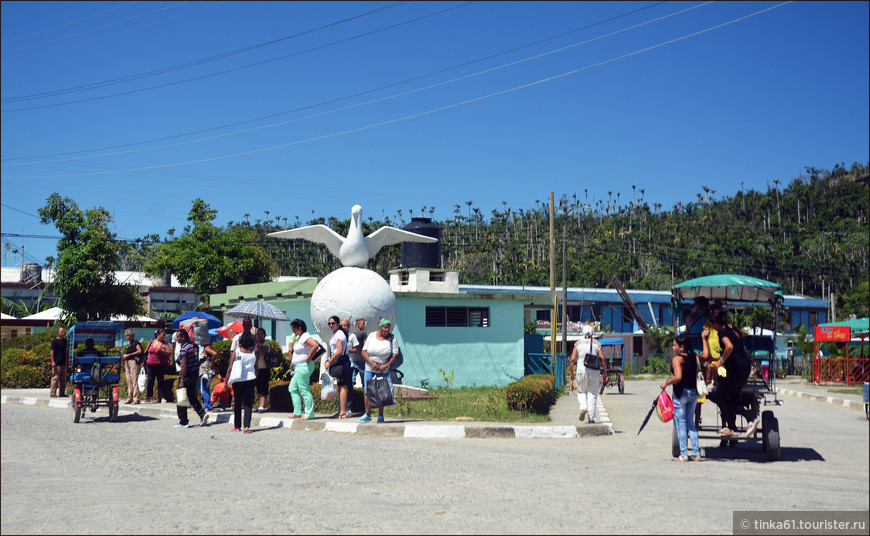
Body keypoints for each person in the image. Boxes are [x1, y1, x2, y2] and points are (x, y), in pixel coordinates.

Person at [702, 309, 758, 440]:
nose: (710, 327)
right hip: (744, 367)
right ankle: (732, 427)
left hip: (736, 369)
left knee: (716, 394)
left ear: (715, 322)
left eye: (710, 323)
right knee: (732, 398)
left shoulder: (722, 331)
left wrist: (720, 362)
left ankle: (750, 418)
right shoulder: (732, 327)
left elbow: (729, 346)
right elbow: (742, 335)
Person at [661, 334, 702, 462]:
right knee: (691, 423)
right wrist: (705, 340)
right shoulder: (694, 356)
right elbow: (706, 357)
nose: (673, 348)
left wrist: (666, 383)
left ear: (682, 347)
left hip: (681, 394)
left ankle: (684, 455)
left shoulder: (677, 359)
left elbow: (678, 377)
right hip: (694, 393)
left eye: (674, 345)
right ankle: (696, 454)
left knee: (682, 424)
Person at [359, 317, 399, 423]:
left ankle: (381, 415)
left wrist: (385, 365)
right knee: (367, 391)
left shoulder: (392, 338)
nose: (387, 330)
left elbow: (395, 355)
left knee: (381, 392)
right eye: (385, 328)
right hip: (369, 368)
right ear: (380, 328)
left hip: (383, 370)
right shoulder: (372, 336)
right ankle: (367, 414)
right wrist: (371, 363)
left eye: (388, 328)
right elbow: (364, 351)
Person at [569, 325, 607, 424]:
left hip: (581, 371)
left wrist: (571, 373)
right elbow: (603, 359)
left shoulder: (578, 343)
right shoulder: (597, 343)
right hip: (594, 371)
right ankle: (591, 418)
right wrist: (605, 374)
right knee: (592, 394)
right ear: (592, 333)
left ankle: (583, 407)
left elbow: (572, 359)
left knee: (581, 392)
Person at [174, 329, 208, 428]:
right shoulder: (194, 346)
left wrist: (181, 380)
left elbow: (184, 365)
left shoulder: (184, 348)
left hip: (187, 374)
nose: (176, 338)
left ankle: (183, 421)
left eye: (178, 336)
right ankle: (202, 414)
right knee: (192, 396)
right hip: (194, 373)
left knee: (181, 397)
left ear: (183, 337)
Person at [288, 319, 320, 420]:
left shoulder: (305, 336)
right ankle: (297, 412)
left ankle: (309, 414)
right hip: (298, 366)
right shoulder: (300, 337)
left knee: (304, 389)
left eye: (294, 329)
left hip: (303, 366)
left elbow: (315, 345)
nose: (293, 331)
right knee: (292, 388)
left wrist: (309, 358)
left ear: (300, 328)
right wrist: (292, 364)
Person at [226, 331, 257, 433]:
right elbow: (256, 368)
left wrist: (226, 380)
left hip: (238, 380)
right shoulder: (253, 353)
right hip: (251, 379)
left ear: (240, 342)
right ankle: (247, 427)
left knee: (238, 403)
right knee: (248, 404)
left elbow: (230, 367)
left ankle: (237, 426)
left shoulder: (237, 352)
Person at [324, 315, 351, 418]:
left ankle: (343, 412)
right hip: (339, 361)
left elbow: (339, 351)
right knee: (340, 385)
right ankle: (341, 410)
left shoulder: (339, 334)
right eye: (329, 323)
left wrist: (330, 361)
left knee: (343, 386)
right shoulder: (336, 334)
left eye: (333, 323)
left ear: (338, 324)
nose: (331, 325)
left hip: (342, 361)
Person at [144, 329, 172, 404]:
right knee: (150, 380)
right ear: (158, 335)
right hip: (150, 364)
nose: (164, 337)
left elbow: (169, 352)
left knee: (160, 380)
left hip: (160, 365)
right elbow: (146, 352)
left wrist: (162, 351)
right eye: (163, 335)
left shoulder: (164, 344)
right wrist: (143, 361)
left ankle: (162, 397)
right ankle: (148, 397)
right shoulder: (151, 342)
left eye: (164, 335)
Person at [342, 318, 360, 416]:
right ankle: (341, 408)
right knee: (341, 386)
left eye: (345, 325)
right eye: (342, 325)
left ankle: (349, 408)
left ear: (348, 327)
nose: (343, 327)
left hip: (350, 363)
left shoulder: (352, 336)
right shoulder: (339, 336)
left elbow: (357, 349)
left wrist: (347, 350)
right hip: (340, 364)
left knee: (349, 386)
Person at [121, 328, 144, 404]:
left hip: (133, 361)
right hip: (128, 362)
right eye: (127, 336)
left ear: (132, 336)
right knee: (129, 380)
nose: (128, 337)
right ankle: (129, 397)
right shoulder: (129, 345)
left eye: (129, 336)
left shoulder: (136, 343)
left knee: (134, 380)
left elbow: (139, 351)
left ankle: (136, 398)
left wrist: (129, 355)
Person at [254, 327, 271, 413]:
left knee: (263, 387)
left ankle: (262, 406)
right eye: (258, 334)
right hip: (256, 369)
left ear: (264, 335)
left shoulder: (266, 343)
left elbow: (262, 353)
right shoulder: (255, 345)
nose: (259, 335)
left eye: (261, 334)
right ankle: (260, 404)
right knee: (259, 388)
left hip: (264, 368)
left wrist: (257, 345)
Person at [49, 327, 68, 398]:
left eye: (64, 332)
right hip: (57, 363)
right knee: (55, 378)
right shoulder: (55, 341)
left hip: (63, 362)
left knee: (63, 379)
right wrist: (53, 362)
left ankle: (62, 393)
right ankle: (53, 393)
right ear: (58, 333)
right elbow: (52, 352)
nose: (63, 333)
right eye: (62, 332)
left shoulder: (65, 341)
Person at [199, 342, 218, 412]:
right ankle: (207, 405)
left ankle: (208, 406)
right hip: (207, 371)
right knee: (206, 389)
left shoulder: (206, 348)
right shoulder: (206, 348)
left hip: (206, 371)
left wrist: (212, 363)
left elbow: (214, 354)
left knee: (204, 390)